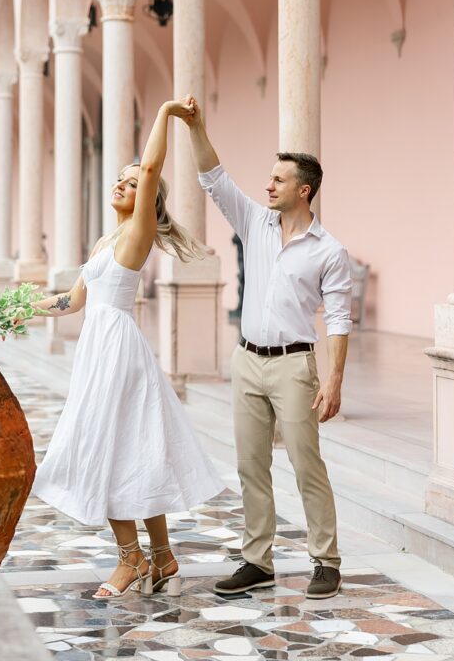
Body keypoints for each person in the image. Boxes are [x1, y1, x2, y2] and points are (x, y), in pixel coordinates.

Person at [29, 99, 224, 600]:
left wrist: (162, 112)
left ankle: (130, 558)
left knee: (108, 445)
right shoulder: (102, 242)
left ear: (148, 199)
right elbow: (74, 301)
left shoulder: (137, 235)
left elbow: (155, 164)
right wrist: (24, 308)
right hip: (99, 348)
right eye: (121, 177)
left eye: (134, 183)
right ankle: (162, 556)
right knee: (137, 447)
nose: (122, 183)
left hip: (118, 350)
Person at [178, 96, 352, 600]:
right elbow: (213, 177)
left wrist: (335, 379)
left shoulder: (329, 251)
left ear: (304, 189)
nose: (268, 184)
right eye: (268, 178)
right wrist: (196, 126)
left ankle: (326, 560)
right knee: (250, 464)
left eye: (278, 179)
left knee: (305, 464)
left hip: (295, 365)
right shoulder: (254, 223)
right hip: (247, 360)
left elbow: (339, 319)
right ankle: (258, 559)